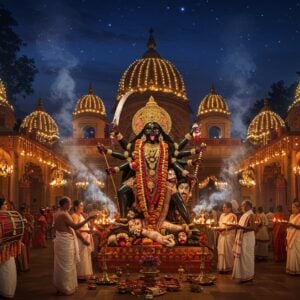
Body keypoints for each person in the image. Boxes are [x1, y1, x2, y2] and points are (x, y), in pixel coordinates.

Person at [53, 196, 96, 295]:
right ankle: (66, 287)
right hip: (65, 241)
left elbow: (56, 227)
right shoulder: (64, 214)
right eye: (69, 203)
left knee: (61, 265)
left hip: (61, 240)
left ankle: (61, 287)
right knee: (67, 265)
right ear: (64, 205)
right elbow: (75, 226)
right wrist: (88, 218)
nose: (71, 205)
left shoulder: (56, 214)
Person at [231, 200, 255, 283]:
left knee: (247, 257)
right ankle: (242, 276)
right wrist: (237, 226)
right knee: (242, 257)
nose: (241, 207)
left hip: (247, 239)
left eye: (242, 205)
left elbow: (253, 228)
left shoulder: (251, 215)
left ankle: (248, 276)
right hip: (243, 237)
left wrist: (240, 227)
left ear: (247, 206)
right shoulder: (245, 214)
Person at [71, 200, 94, 281]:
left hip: (85, 237)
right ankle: (80, 275)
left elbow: (86, 226)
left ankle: (86, 274)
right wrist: (83, 239)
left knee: (86, 257)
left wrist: (90, 226)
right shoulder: (74, 216)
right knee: (81, 257)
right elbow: (75, 229)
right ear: (76, 207)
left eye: (82, 205)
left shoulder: (81, 215)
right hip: (80, 239)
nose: (82, 207)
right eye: (81, 206)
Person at [0, 198, 17, 298]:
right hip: (4, 247)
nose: (6, 206)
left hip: (6, 247)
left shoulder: (6, 216)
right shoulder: (4, 217)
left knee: (7, 269)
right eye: (5, 204)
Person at [216, 202, 237, 273]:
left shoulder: (232, 216)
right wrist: (218, 229)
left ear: (229, 208)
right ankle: (221, 267)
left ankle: (228, 267)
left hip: (228, 236)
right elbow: (220, 224)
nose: (223, 208)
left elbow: (232, 226)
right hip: (222, 235)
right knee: (221, 251)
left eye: (225, 207)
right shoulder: (222, 215)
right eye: (223, 207)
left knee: (227, 252)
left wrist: (224, 229)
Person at [286, 201, 300, 275]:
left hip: (297, 236)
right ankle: (291, 269)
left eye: (294, 207)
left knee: (297, 252)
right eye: (292, 207)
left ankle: (297, 270)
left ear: (299, 208)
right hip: (290, 235)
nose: (292, 209)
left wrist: (291, 224)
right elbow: (289, 225)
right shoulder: (291, 216)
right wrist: (287, 225)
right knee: (291, 252)